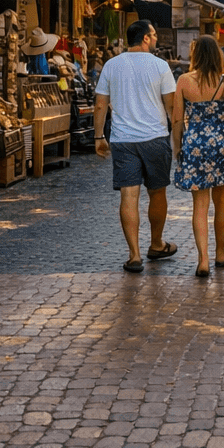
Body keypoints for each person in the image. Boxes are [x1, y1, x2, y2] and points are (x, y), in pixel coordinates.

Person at [94, 19, 179, 273]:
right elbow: (172, 106)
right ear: (145, 38)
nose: (155, 39)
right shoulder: (161, 66)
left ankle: (134, 255)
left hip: (123, 141)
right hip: (155, 138)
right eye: (153, 35)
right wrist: (175, 138)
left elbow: (100, 104)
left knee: (128, 196)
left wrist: (99, 136)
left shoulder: (111, 65)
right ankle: (156, 243)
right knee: (157, 192)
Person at [171, 36, 224, 277]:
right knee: (221, 202)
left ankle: (202, 261)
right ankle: (220, 254)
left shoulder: (183, 80)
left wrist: (178, 147)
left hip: (194, 144)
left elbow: (177, 119)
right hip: (221, 145)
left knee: (199, 206)